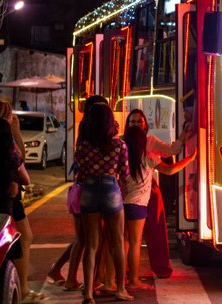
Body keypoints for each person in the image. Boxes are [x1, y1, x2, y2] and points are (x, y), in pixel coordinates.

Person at [0, 99, 42, 302]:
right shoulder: (6, 141)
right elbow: (21, 163)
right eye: (9, 115)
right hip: (7, 198)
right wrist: (17, 132)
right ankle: (21, 288)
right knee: (22, 238)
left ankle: (19, 287)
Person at [47, 95, 108, 291]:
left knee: (82, 238)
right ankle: (72, 276)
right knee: (86, 239)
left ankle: (61, 271)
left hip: (79, 190)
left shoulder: (84, 131)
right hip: (86, 191)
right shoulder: (93, 135)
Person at [74, 103, 132, 303]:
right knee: (116, 242)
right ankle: (120, 289)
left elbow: (79, 172)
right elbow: (125, 174)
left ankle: (88, 293)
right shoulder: (119, 145)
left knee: (91, 245)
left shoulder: (82, 145)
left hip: (89, 189)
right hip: (110, 189)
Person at [125, 108, 184, 279]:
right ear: (128, 125)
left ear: (145, 125)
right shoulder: (123, 142)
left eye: (139, 122)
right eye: (133, 122)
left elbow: (171, 151)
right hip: (128, 193)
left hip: (149, 190)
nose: (136, 124)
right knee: (126, 237)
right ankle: (124, 270)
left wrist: (182, 137)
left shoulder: (150, 142)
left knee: (156, 229)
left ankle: (160, 267)